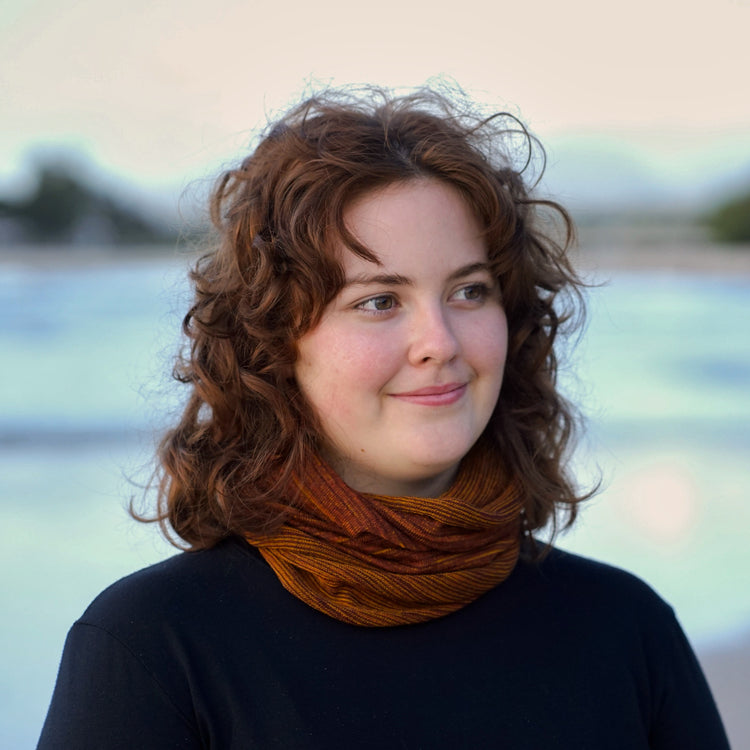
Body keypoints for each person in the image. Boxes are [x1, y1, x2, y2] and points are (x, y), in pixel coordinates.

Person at [37, 85, 729, 749]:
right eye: (379, 301)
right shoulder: (154, 649)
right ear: (274, 346)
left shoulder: (624, 628)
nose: (440, 343)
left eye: (469, 291)